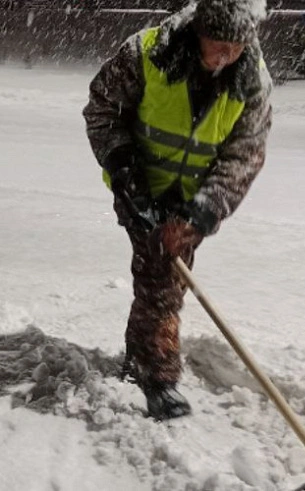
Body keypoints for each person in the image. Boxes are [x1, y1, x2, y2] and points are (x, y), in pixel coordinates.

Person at [82, 0, 273, 420]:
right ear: (197, 31)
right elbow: (102, 110)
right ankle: (159, 379)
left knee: (159, 277)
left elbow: (244, 155)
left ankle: (140, 361)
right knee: (163, 278)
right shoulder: (147, 53)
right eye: (217, 44)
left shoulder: (252, 81)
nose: (226, 56)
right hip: (139, 184)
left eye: (236, 46)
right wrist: (124, 171)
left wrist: (202, 213)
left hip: (192, 200)